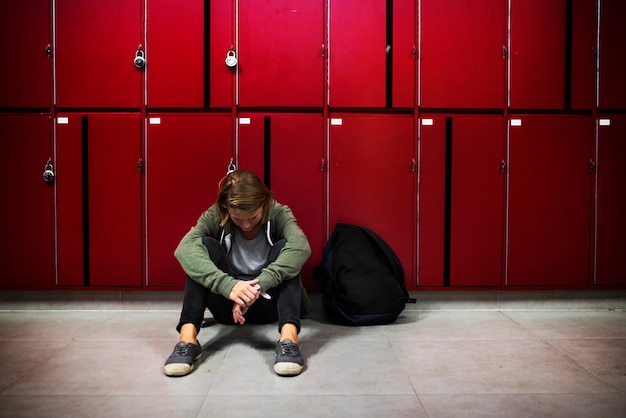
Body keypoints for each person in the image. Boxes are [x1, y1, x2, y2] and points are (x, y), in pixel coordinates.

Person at [163, 170, 312, 377]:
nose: (247, 224)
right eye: (238, 218)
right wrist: (230, 286)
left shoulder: (278, 213)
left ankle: (289, 339)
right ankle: (187, 339)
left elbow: (301, 247)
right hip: (227, 305)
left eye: (253, 216)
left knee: (286, 249)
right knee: (201, 247)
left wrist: (258, 286)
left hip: (269, 304)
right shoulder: (216, 214)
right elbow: (184, 249)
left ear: (264, 203)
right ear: (226, 208)